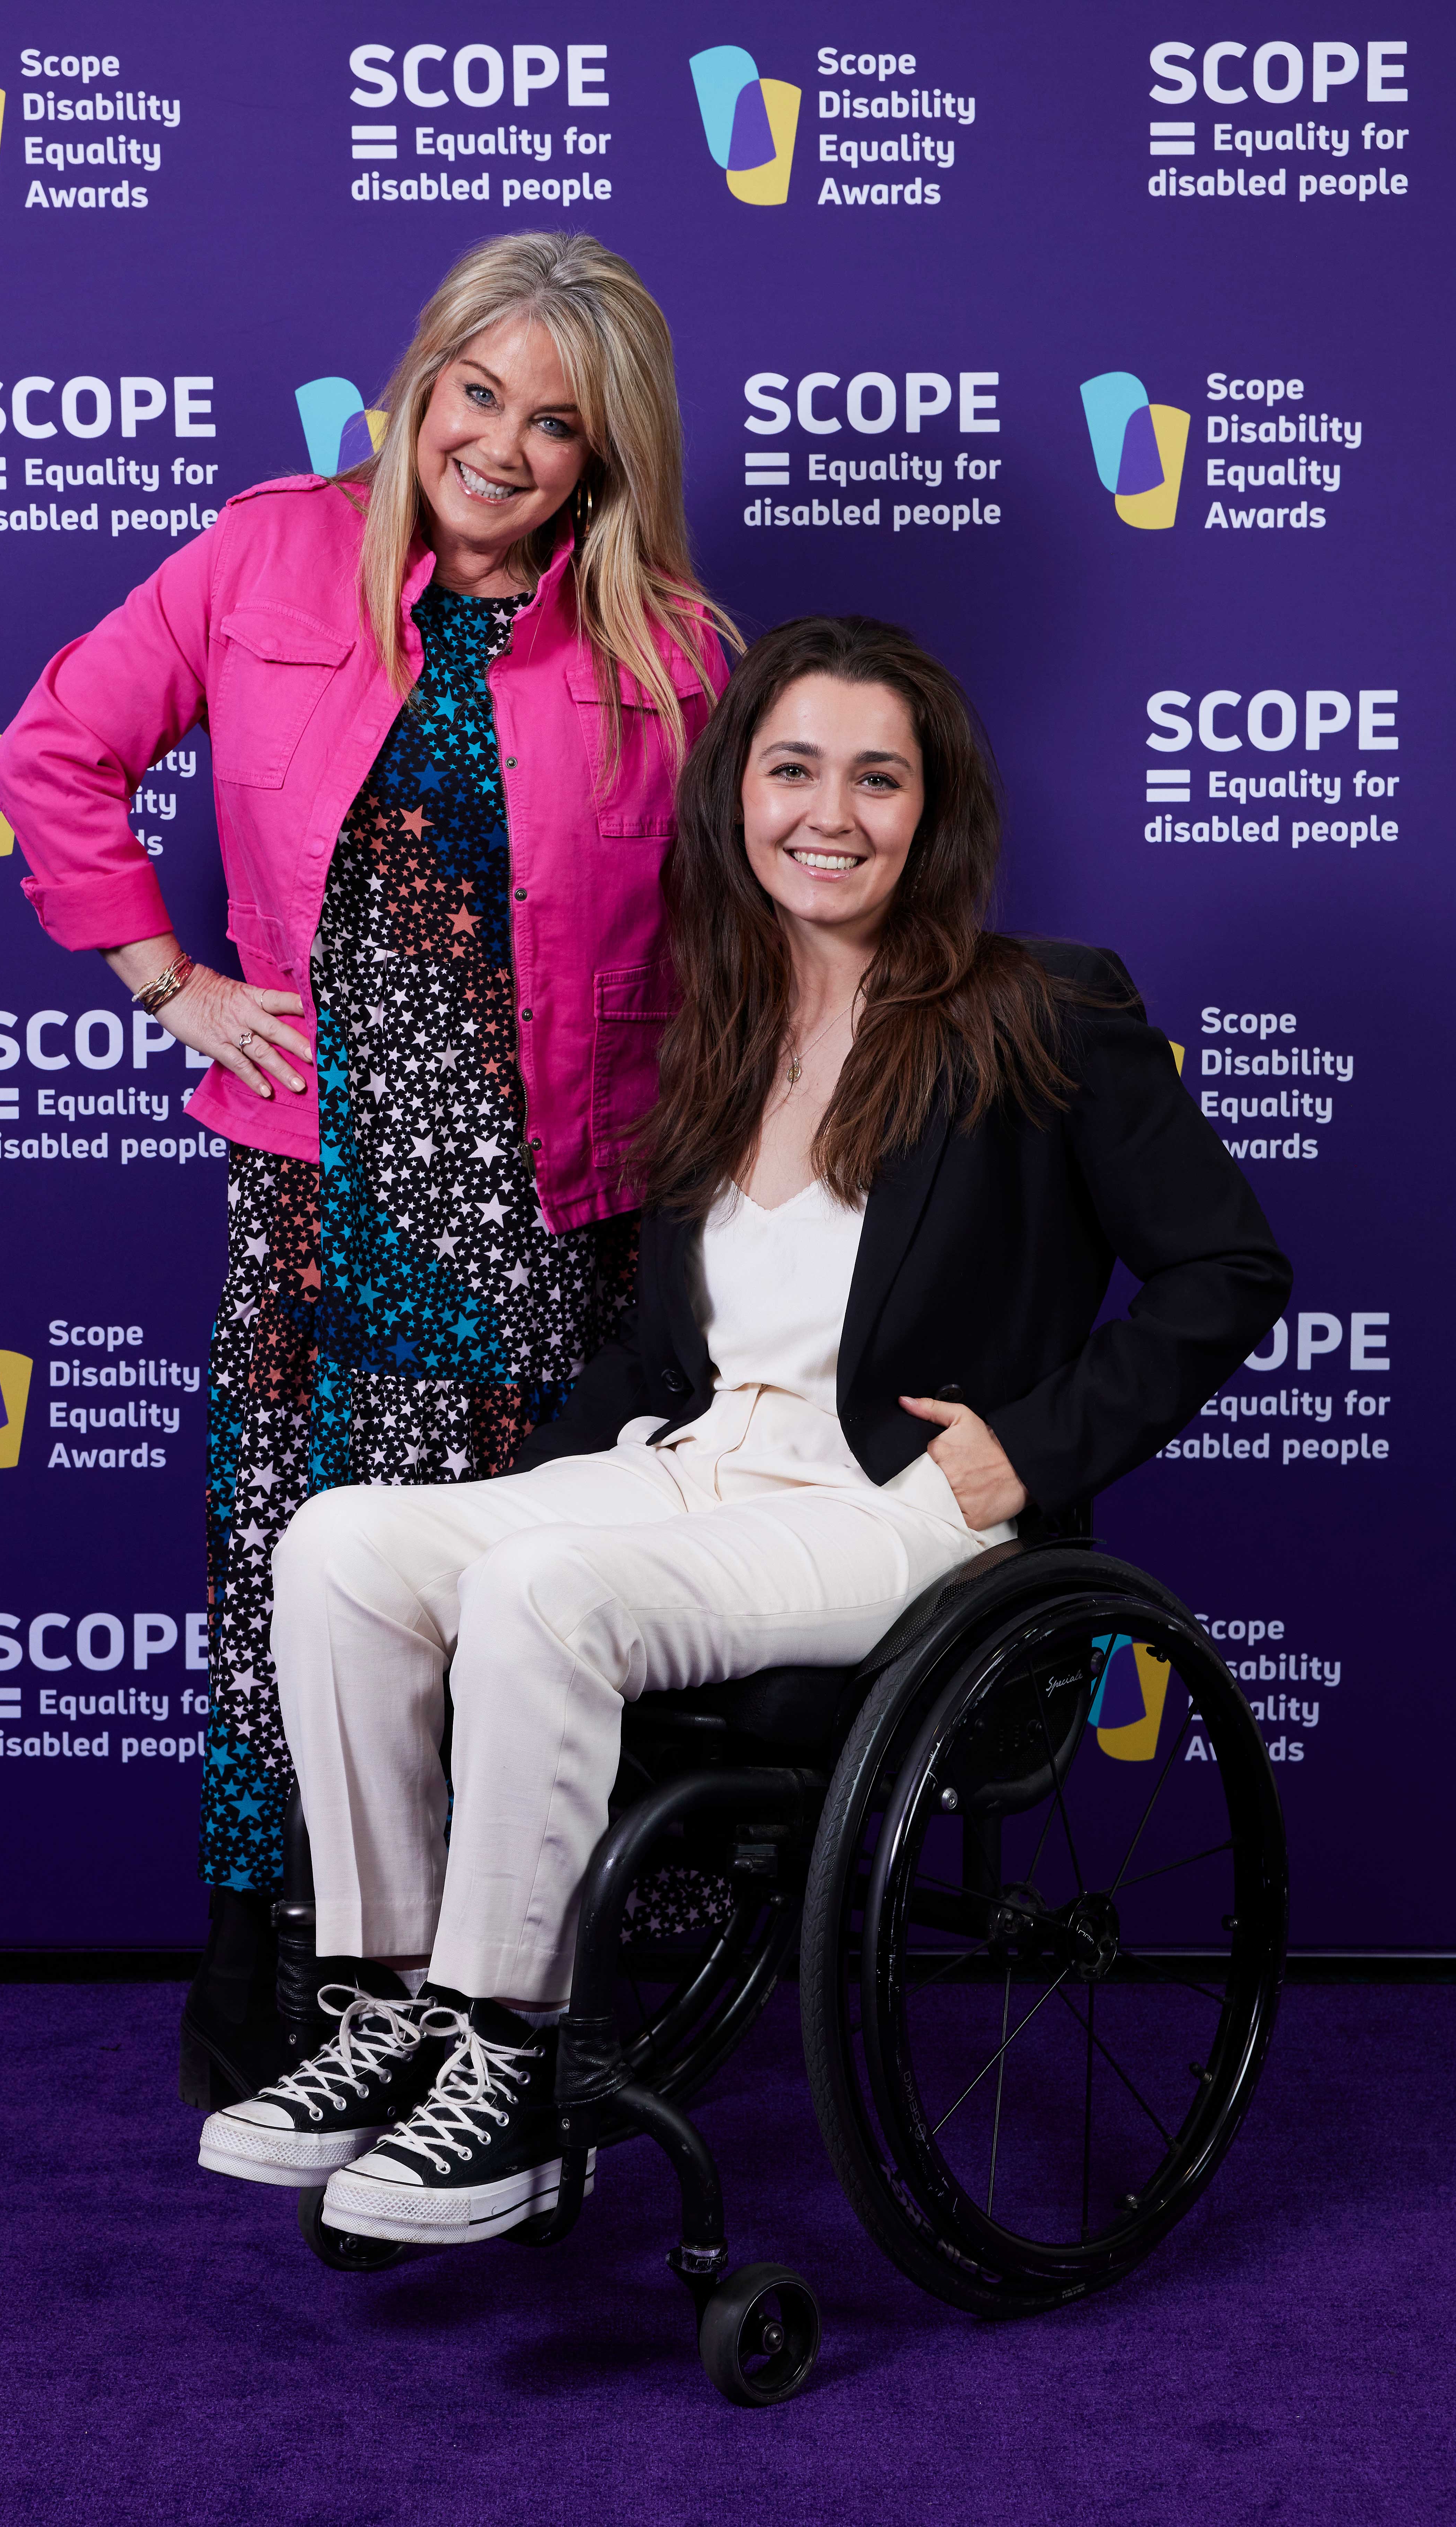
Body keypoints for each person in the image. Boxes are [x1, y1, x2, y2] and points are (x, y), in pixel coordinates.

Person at [197, 614, 1292, 2246]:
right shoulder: (710, 1029)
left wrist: (1032, 1451)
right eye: (793, 770)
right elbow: (655, 1356)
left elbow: (1229, 1268)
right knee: (343, 1542)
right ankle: (387, 2010)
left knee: (544, 1597)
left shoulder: (1042, 1012)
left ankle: (511, 2057)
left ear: (933, 812)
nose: (828, 813)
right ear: (737, 798)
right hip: (697, 1472)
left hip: (898, 1507)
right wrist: (538, 1489)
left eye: (877, 777)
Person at [0, 233, 732, 2106]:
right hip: (319, 1184)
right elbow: (55, 750)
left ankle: (495, 1981)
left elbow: (750, 921)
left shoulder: (670, 647)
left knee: (512, 1581)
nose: (498, 444)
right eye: (476, 393)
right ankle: (266, 1932)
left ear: (600, 460)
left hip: (552, 1199)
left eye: (552, 423)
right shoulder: (261, 553)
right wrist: (170, 978)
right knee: (281, 1560)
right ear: (417, 386)